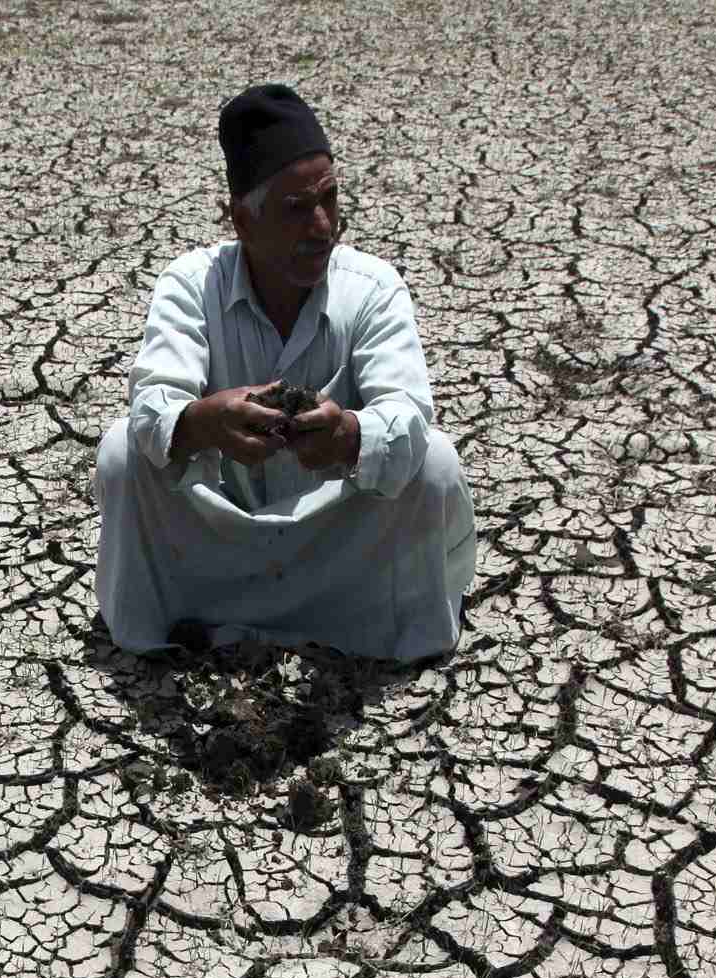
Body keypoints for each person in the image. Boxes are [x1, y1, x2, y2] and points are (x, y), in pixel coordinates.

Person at [96, 83, 476, 663]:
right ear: (242, 222)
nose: (322, 226)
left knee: (436, 461)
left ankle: (382, 628)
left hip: (337, 539)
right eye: (296, 208)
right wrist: (205, 422)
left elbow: (407, 416)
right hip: (219, 535)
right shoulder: (191, 284)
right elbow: (152, 408)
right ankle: (166, 627)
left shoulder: (373, 288)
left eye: (330, 199)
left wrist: (348, 435)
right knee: (122, 450)